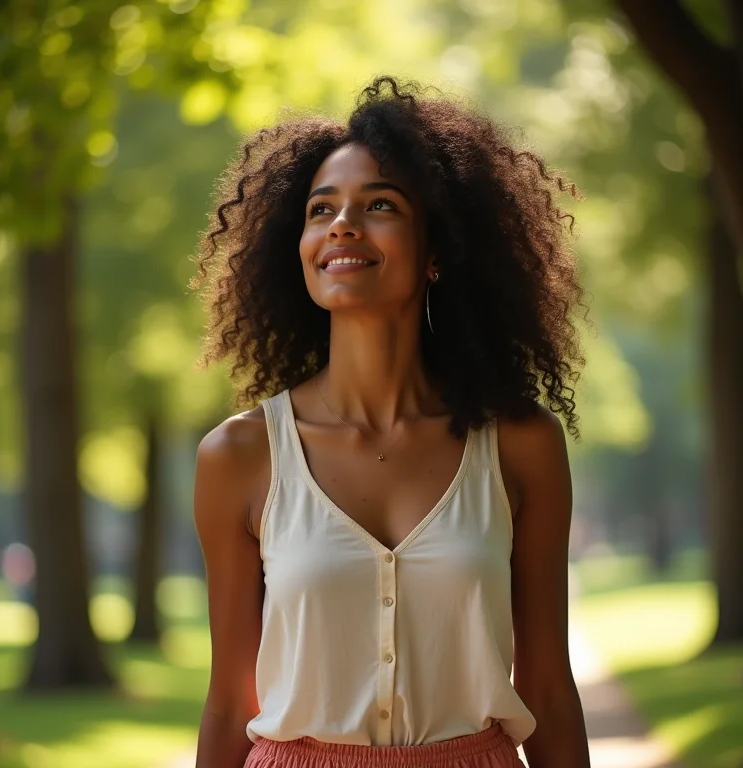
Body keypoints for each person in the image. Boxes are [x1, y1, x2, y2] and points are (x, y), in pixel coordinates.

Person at [190, 75, 592, 768]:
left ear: (438, 252)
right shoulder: (240, 455)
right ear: (302, 247)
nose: (342, 223)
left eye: (380, 205)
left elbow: (550, 690)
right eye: (322, 210)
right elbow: (231, 698)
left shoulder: (522, 445)